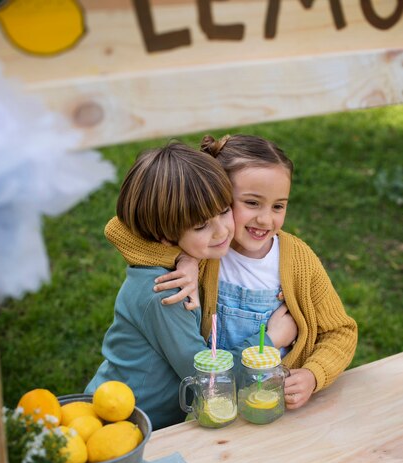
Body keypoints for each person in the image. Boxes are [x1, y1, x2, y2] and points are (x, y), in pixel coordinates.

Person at [105, 134, 358, 411]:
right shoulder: (202, 260)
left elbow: (340, 331)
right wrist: (183, 258)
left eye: (278, 206)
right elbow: (123, 229)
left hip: (265, 404)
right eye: (251, 203)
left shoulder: (297, 260)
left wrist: (314, 374)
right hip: (208, 403)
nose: (265, 218)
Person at [86, 142, 295, 430]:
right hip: (122, 425)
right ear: (164, 235)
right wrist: (273, 339)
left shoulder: (178, 262)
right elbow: (207, 378)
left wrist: (187, 257)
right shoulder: (167, 291)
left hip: (132, 417)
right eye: (200, 226)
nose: (222, 231)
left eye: (223, 211)